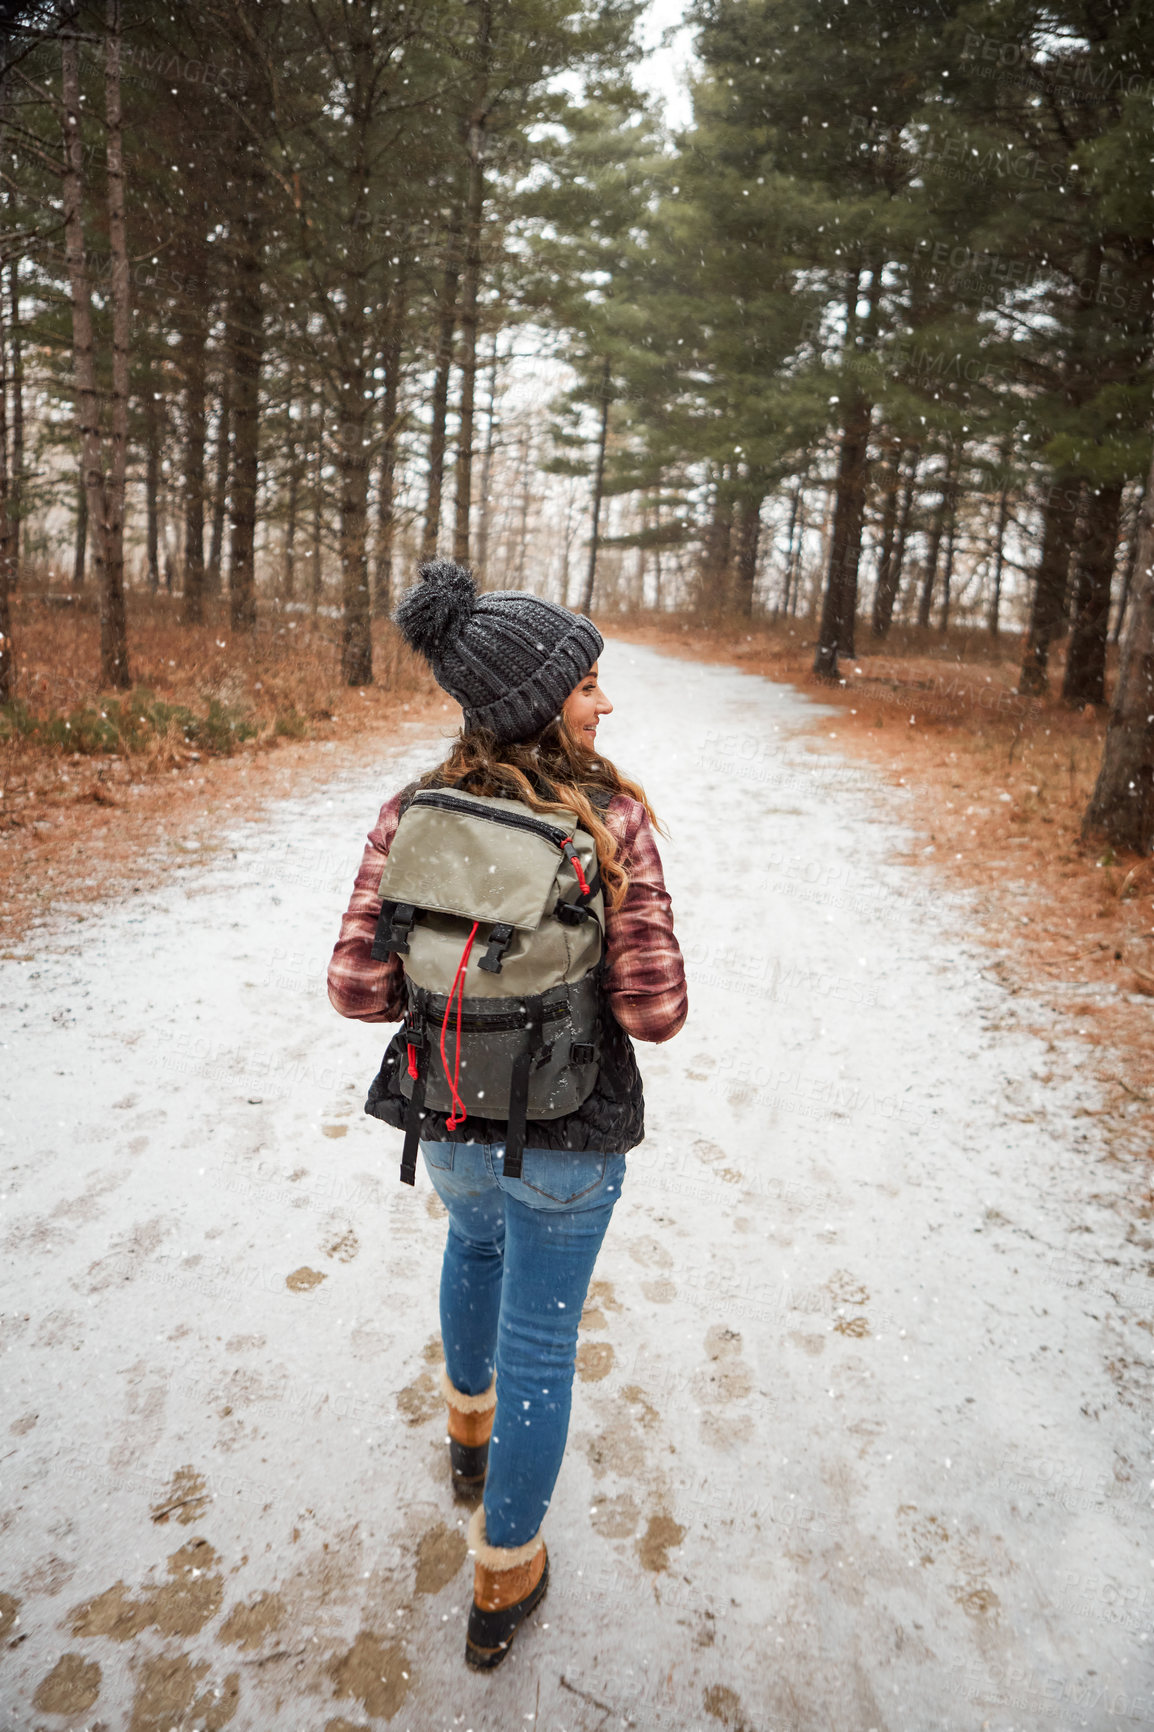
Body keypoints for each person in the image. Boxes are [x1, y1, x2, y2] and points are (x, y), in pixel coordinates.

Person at [327, 560, 687, 1669]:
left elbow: (354, 988)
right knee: (544, 1339)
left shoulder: (410, 811)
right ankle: (503, 1578)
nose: (603, 701)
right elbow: (654, 1007)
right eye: (586, 682)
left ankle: (466, 1441)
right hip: (570, 1128)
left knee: (472, 1245)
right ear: (540, 697)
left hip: (446, 1113)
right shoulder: (610, 816)